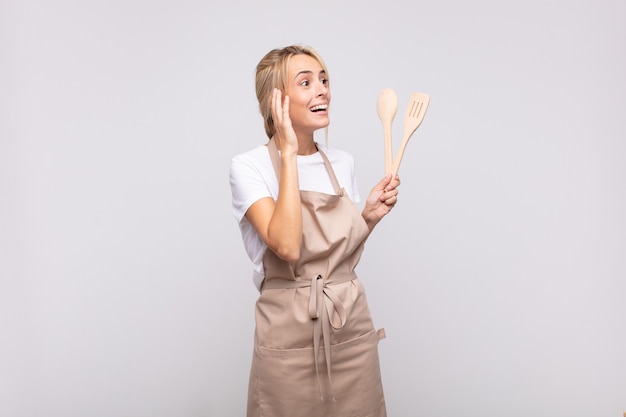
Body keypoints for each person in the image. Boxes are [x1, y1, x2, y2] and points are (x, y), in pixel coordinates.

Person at [229, 44, 400, 417]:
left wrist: (367, 217)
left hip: (348, 323)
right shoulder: (250, 167)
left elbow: (340, 257)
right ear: (277, 100)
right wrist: (288, 153)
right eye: (305, 82)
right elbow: (287, 247)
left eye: (324, 80)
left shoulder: (342, 162)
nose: (322, 90)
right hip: (288, 330)